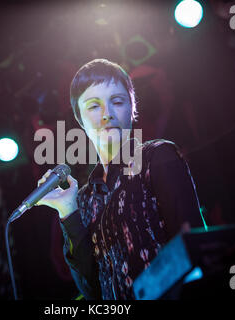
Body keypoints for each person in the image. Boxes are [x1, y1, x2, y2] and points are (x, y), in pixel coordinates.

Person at [36, 59, 203, 300]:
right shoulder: (83, 198)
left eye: (117, 101)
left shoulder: (157, 157)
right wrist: (68, 211)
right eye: (94, 106)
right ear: (80, 120)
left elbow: (193, 249)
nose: (107, 114)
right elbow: (92, 290)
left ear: (132, 108)